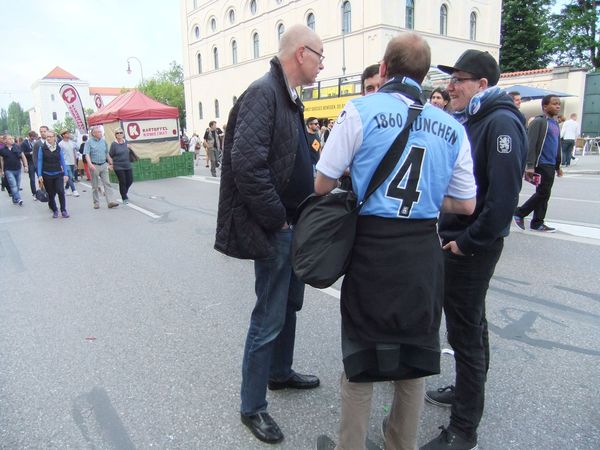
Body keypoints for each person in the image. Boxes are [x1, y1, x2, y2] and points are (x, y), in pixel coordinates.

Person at [313, 32, 476, 450]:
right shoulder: (451, 127)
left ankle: (350, 445)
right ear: (423, 75)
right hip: (422, 250)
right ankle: (399, 445)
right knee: (414, 360)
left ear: (383, 70)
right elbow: (467, 203)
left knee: (361, 359)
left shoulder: (361, 110)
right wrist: (429, 194)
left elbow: (321, 182)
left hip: (373, 249)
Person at [215, 24, 324, 445]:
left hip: (296, 222)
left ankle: (280, 373)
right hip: (278, 226)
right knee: (269, 315)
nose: (321, 63)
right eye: (320, 55)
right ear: (301, 53)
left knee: (288, 306)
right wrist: (278, 218)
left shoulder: (287, 95)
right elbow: (246, 164)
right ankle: (252, 406)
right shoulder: (265, 92)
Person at [420, 50, 527, 450]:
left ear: (482, 84)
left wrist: (466, 243)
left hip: (471, 245)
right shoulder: (478, 117)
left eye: (459, 79)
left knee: (464, 334)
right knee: (472, 325)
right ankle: (469, 390)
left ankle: (464, 429)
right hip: (462, 238)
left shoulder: (500, 121)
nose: (450, 87)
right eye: (451, 79)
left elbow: (502, 201)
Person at [513, 95, 563, 233]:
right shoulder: (539, 122)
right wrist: (529, 165)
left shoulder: (555, 123)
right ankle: (520, 212)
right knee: (543, 193)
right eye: (554, 103)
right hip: (541, 163)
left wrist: (558, 166)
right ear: (545, 106)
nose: (558, 106)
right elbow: (531, 144)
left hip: (551, 164)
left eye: (559, 104)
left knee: (545, 194)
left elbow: (557, 146)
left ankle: (538, 222)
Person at [83, 126, 119, 209]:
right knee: (95, 185)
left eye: (100, 132)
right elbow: (87, 154)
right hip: (94, 165)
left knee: (107, 183)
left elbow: (106, 153)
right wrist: (90, 164)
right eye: (98, 132)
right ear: (93, 134)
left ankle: (110, 201)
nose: (100, 133)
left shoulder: (103, 141)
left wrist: (111, 162)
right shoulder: (89, 142)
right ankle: (96, 202)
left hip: (103, 164)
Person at [37, 130, 69, 218]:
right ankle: (55, 210)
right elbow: (39, 161)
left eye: (50, 136)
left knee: (60, 191)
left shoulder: (58, 148)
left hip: (58, 173)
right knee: (51, 194)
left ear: (54, 137)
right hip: (47, 174)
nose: (48, 138)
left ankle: (63, 210)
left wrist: (66, 174)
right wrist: (39, 175)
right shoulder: (42, 148)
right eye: (47, 137)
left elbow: (62, 161)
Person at [0, 135, 29, 206]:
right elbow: (1, 161)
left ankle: (14, 198)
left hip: (18, 169)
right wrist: (2, 171)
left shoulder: (17, 147)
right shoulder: (2, 150)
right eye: (9, 139)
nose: (12, 140)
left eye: (12, 138)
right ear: (5, 141)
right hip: (8, 170)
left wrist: (25, 166)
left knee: (17, 186)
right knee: (13, 185)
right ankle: (19, 199)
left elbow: (23, 156)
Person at [109, 127, 134, 204]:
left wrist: (131, 148)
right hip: (118, 166)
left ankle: (124, 192)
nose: (119, 134)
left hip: (127, 164)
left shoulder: (126, 142)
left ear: (123, 134)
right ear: (115, 135)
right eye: (117, 133)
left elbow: (130, 152)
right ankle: (124, 197)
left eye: (121, 133)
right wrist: (111, 164)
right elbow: (110, 155)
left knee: (130, 180)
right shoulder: (114, 144)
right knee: (122, 181)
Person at [58, 129, 80, 197]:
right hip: (65, 162)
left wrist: (75, 163)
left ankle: (66, 188)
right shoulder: (60, 144)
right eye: (67, 133)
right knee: (70, 176)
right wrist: (61, 164)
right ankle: (74, 190)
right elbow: (59, 155)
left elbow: (75, 151)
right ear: (63, 135)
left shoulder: (72, 142)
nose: (69, 134)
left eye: (68, 133)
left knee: (69, 177)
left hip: (72, 161)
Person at [21, 131, 38, 198]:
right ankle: (34, 194)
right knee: (32, 179)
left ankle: (43, 191)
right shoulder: (24, 143)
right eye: (32, 137)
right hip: (30, 162)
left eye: (34, 137)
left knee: (41, 177)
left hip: (36, 162)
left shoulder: (35, 142)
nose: (33, 138)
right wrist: (30, 153)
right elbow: (22, 154)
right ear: (29, 136)